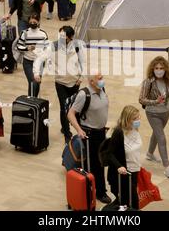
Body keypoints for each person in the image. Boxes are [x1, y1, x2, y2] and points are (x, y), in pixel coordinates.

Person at [33, 26, 85, 143]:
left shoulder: (77, 46)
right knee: (64, 108)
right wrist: (37, 73)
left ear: (70, 37)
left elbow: (83, 62)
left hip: (75, 82)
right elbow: (40, 59)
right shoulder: (54, 46)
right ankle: (67, 134)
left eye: (63, 36)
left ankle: (66, 126)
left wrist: (81, 77)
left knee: (73, 108)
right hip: (60, 83)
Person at [139, 56, 169, 178]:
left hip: (166, 112)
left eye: (161, 68)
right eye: (156, 68)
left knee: (156, 133)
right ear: (152, 69)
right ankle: (167, 167)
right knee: (161, 138)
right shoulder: (148, 82)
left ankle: (149, 154)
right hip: (153, 113)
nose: (159, 70)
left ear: (165, 69)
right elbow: (141, 99)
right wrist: (155, 101)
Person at [68, 71, 112, 204]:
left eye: (102, 77)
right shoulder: (83, 95)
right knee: (95, 164)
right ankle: (98, 192)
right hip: (89, 134)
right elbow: (70, 114)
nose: (102, 80)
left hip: (100, 132)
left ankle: (98, 189)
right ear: (91, 81)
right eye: (99, 78)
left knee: (101, 162)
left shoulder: (102, 89)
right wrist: (79, 130)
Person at [106, 106, 142, 210]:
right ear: (127, 119)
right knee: (133, 202)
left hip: (135, 171)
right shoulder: (118, 132)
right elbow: (109, 153)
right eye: (135, 118)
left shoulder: (135, 128)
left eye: (139, 117)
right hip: (125, 173)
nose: (138, 120)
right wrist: (119, 166)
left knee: (127, 201)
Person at [16, 14, 49, 97]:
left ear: (38, 22)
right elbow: (18, 46)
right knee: (33, 81)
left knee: (37, 82)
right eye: (31, 22)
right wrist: (27, 48)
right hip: (28, 62)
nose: (32, 23)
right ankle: (30, 100)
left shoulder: (43, 34)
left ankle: (34, 100)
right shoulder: (25, 33)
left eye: (34, 22)